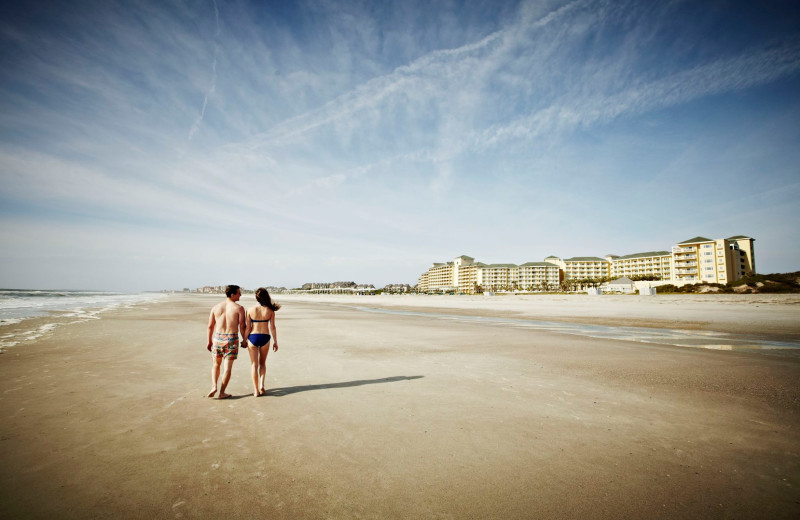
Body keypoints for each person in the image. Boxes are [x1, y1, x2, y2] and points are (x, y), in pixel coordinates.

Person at [207, 284, 246, 399]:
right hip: (231, 338)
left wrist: (209, 341)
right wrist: (245, 340)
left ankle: (214, 386)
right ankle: (222, 392)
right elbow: (242, 327)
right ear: (232, 294)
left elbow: (210, 326)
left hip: (217, 338)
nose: (240, 295)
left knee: (215, 365)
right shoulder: (239, 308)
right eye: (239, 293)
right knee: (227, 368)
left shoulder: (216, 307)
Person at [244, 287, 281, 397]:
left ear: (256, 298)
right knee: (262, 363)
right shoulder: (270, 311)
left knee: (254, 364)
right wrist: (275, 341)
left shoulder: (250, 310)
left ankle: (255, 390)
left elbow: (247, 328)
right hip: (265, 337)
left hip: (253, 338)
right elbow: (273, 327)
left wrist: (244, 340)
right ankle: (261, 385)